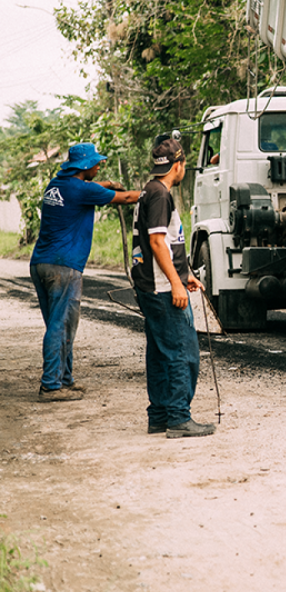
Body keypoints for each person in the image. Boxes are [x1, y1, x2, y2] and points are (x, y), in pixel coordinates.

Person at [29, 143, 140, 401]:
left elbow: (91, 187)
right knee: (60, 324)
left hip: (40, 262)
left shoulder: (56, 185)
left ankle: (64, 379)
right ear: (85, 166)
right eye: (96, 163)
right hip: (63, 265)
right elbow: (126, 198)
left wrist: (108, 183)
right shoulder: (81, 190)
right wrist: (155, 191)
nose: (99, 166)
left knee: (59, 324)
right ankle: (50, 386)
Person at [131, 139, 214, 438]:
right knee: (183, 351)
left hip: (155, 283)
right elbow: (155, 242)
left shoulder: (150, 191)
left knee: (159, 351)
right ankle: (179, 417)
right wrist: (176, 283)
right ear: (178, 165)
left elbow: (166, 242)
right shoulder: (160, 195)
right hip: (162, 288)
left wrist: (184, 273)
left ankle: (160, 415)